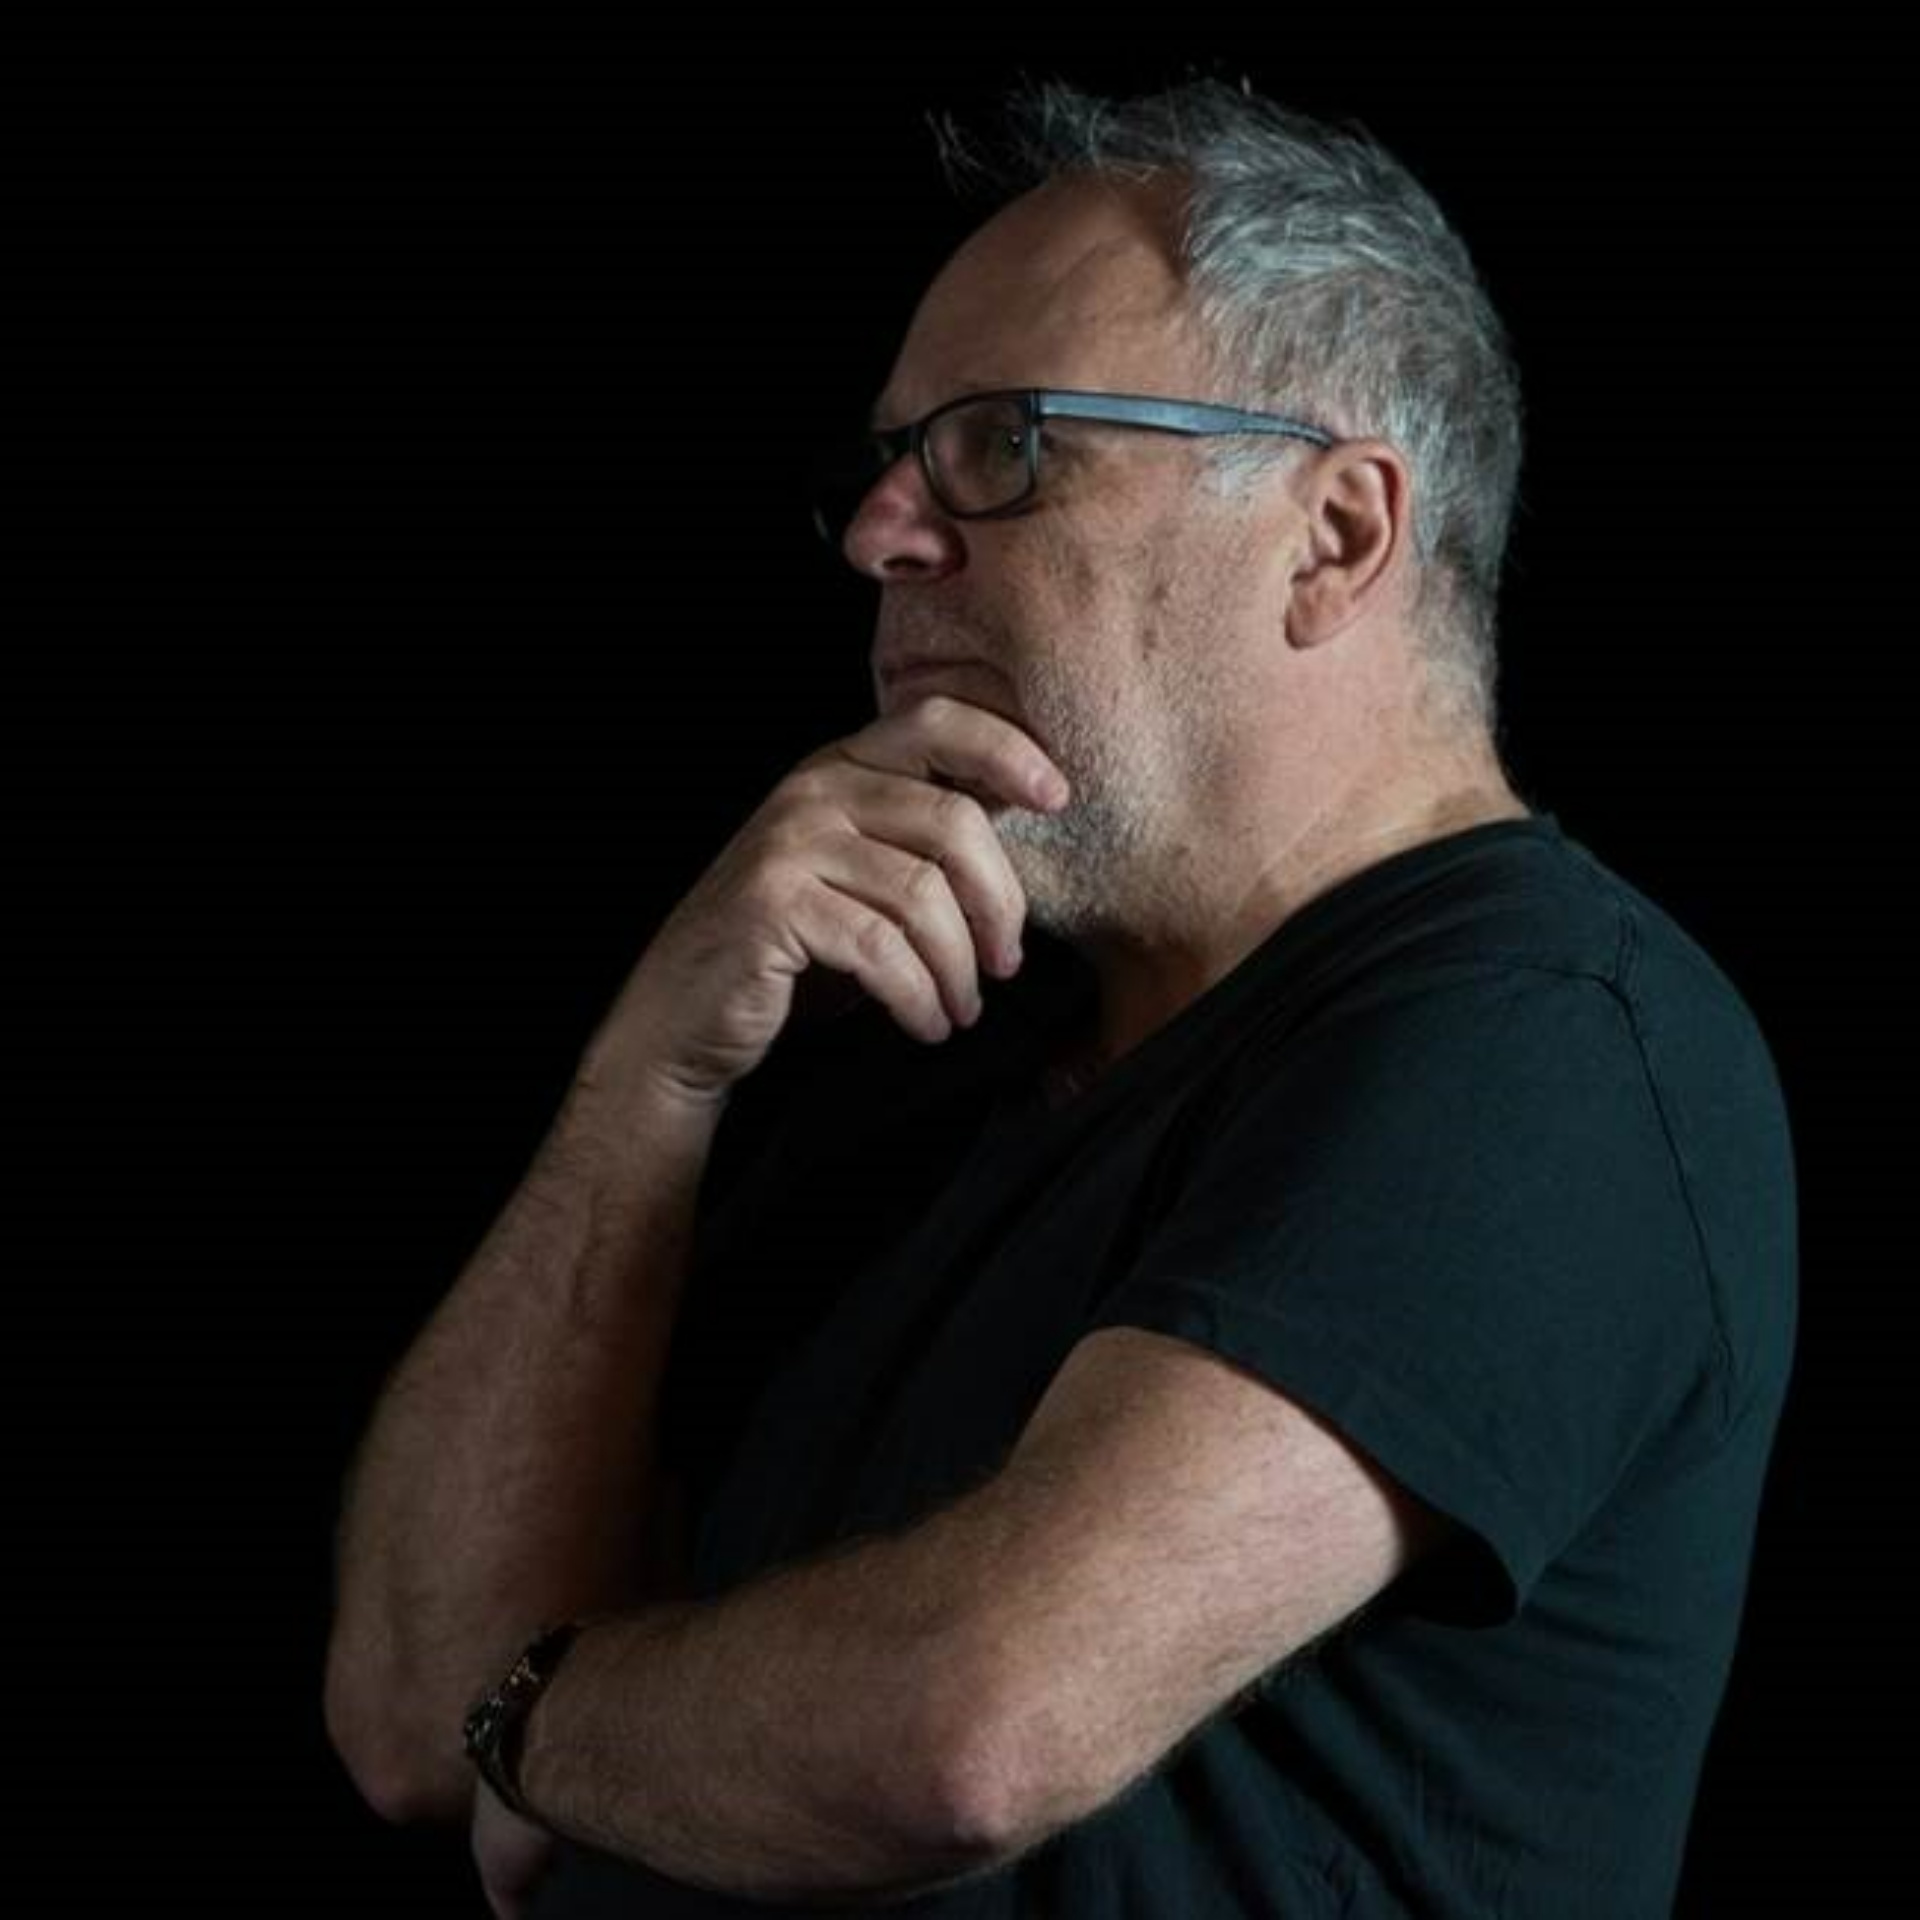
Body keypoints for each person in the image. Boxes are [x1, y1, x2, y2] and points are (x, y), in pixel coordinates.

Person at [324, 78, 1796, 1918]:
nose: (881, 531)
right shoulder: (919, 1041)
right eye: (885, 462)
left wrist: (537, 1718)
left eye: (1002, 445)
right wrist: (652, 1080)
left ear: (1335, 534)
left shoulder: (1550, 1043)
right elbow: (398, 1711)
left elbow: (970, 1731)